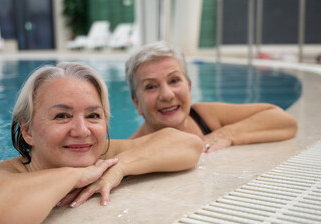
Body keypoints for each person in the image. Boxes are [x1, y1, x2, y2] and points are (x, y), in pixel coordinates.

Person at [0, 63, 203, 224]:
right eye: (62, 116)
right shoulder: (5, 175)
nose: (81, 129)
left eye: (93, 116)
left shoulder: (102, 155)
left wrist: (119, 168)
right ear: (28, 132)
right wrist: (76, 175)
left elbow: (188, 144)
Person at [125, 41, 298, 152]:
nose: (167, 95)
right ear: (137, 103)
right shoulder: (132, 149)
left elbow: (284, 121)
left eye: (174, 80)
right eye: (151, 87)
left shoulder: (204, 116)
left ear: (189, 87)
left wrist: (227, 134)